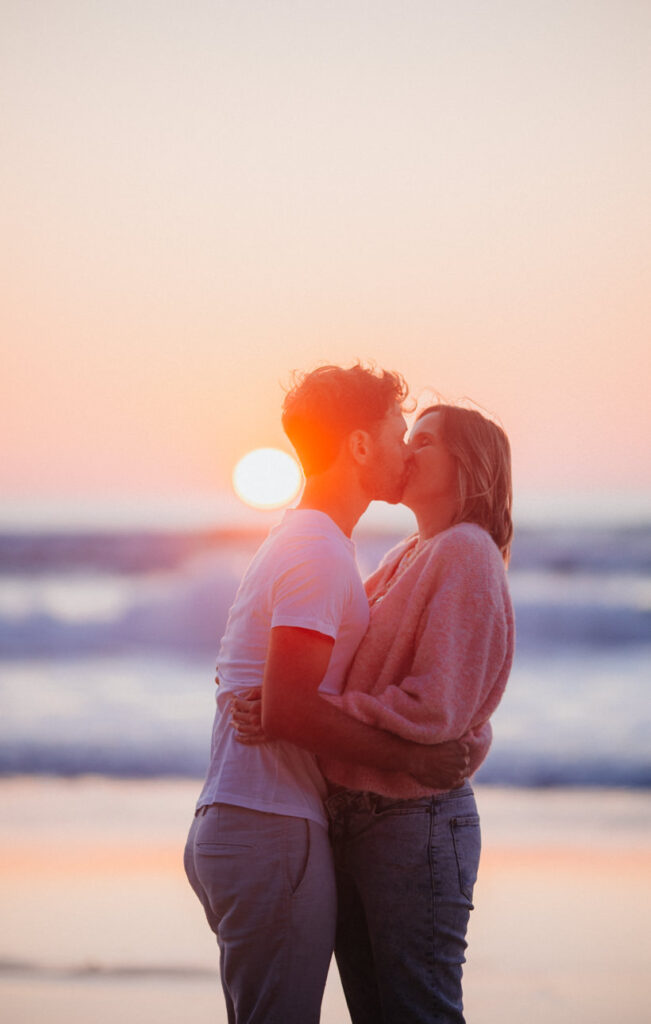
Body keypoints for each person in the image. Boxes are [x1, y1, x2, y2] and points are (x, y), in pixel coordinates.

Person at [183, 366, 468, 1024]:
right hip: (269, 827)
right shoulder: (317, 550)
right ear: (360, 446)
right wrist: (414, 760)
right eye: (398, 434)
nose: (405, 451)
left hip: (251, 821)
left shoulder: (307, 540)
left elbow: (276, 688)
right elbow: (287, 706)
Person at [233, 402, 515, 1024]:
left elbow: (437, 707)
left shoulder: (465, 552)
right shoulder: (411, 552)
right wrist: (285, 699)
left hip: (414, 821)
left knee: (420, 1013)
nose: (408, 451)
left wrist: (303, 710)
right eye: (407, 437)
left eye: (427, 441)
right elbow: (345, 663)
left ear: (468, 465)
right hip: (358, 816)